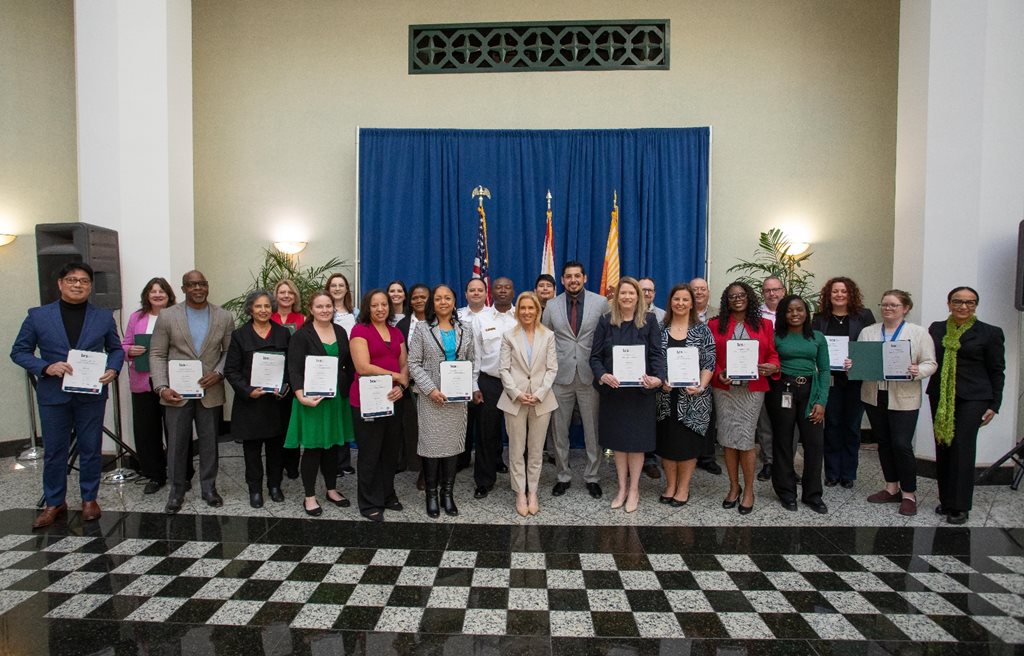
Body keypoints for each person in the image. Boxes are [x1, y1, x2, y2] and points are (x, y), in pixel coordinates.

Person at [11, 262, 124, 529]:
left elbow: (116, 349)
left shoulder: (103, 317)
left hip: (90, 394)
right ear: (60, 284)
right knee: (54, 451)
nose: (78, 285)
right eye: (72, 280)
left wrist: (113, 369)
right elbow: (19, 351)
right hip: (53, 395)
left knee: (90, 449)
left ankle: (89, 499)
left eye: (84, 281)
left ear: (90, 286)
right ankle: (54, 502)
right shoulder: (38, 316)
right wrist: (45, 367)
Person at [150, 270, 234, 515]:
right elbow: (157, 354)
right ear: (184, 288)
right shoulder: (167, 316)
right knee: (176, 443)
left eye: (202, 284)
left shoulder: (224, 316)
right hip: (176, 392)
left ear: (207, 286)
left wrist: (219, 373)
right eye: (192, 284)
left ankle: (209, 488)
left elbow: (229, 352)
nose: (198, 288)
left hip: (210, 390)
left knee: (210, 443)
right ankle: (176, 490)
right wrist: (162, 387)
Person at [927, 286, 1005, 525]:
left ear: (976, 306)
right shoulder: (937, 328)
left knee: (962, 445)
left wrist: (995, 403)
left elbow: (997, 370)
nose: (963, 307)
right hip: (941, 396)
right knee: (944, 445)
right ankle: (947, 499)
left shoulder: (990, 333)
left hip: (975, 397)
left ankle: (960, 506)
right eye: (958, 301)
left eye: (970, 303)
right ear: (949, 304)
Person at [590, 277, 666, 512]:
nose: (627, 297)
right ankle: (622, 488)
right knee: (619, 445)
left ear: (638, 296)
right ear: (616, 296)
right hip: (614, 393)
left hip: (640, 394)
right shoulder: (606, 322)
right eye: (622, 293)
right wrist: (602, 375)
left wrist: (658, 378)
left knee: (636, 445)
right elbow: (595, 357)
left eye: (631, 293)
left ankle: (634, 490)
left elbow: (656, 354)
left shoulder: (650, 321)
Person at [859, 290, 937, 517]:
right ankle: (891, 487)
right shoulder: (869, 331)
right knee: (883, 442)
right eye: (884, 305)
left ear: (905, 308)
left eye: (893, 305)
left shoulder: (918, 333)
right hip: (875, 395)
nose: (888, 309)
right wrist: (853, 363)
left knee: (901, 444)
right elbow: (863, 360)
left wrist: (917, 371)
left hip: (904, 397)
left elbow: (930, 363)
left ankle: (909, 494)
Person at [709, 281, 780, 515]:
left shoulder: (764, 324)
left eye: (741, 295)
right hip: (725, 389)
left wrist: (772, 366)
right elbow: (711, 356)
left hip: (752, 389)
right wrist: (720, 371)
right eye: (731, 296)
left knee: (746, 440)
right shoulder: (715, 325)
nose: (737, 299)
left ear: (749, 297)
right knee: (728, 438)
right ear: (726, 301)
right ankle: (733, 487)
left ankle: (749, 490)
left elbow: (771, 353)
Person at [408, 284, 478, 518]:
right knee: (431, 447)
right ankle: (431, 495)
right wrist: (431, 390)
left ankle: (448, 494)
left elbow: (471, 361)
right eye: (438, 298)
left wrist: (469, 388)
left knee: (452, 448)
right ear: (432, 303)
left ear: (454, 301)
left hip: (457, 400)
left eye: (448, 298)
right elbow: (413, 364)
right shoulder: (422, 329)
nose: (443, 302)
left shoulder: (466, 329)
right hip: (432, 399)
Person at [542, 261, 610, 499]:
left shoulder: (601, 303)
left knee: (593, 430)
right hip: (560, 378)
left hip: (590, 377)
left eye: (577, 276)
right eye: (568, 276)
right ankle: (563, 475)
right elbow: (544, 341)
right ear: (562, 280)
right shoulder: (551, 305)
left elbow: (607, 337)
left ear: (585, 278)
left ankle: (592, 476)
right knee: (560, 431)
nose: (573, 280)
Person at [285, 291, 354, 516]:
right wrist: (300, 394)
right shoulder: (302, 335)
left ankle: (331, 490)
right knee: (313, 449)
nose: (325, 310)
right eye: (320, 306)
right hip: (312, 400)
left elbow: (348, 364)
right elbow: (293, 368)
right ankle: (310, 496)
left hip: (336, 399)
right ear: (311, 309)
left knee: (333, 447)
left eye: (328, 306)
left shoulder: (342, 332)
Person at [224, 290, 292, 508]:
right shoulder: (239, 335)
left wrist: (285, 387)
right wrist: (248, 390)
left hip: (276, 403)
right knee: (251, 451)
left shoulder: (283, 333)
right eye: (258, 307)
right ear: (250, 310)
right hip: (250, 404)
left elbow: (291, 367)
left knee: (276, 448)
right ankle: (255, 489)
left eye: (266, 306)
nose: (263, 310)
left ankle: (274, 486)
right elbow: (231, 370)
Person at [349, 289, 408, 522]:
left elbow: (405, 365)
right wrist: (396, 375)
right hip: (367, 400)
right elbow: (362, 366)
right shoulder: (359, 331)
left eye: (384, 304)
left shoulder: (396, 332)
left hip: (393, 398)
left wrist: (401, 387)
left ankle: (387, 494)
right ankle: (369, 501)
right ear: (367, 308)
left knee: (389, 451)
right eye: (375, 305)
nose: (380, 309)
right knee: (370, 452)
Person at [497, 291, 558, 517]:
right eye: (522, 308)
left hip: (541, 401)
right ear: (517, 311)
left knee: (535, 451)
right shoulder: (508, 336)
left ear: (537, 310)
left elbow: (552, 368)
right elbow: (503, 369)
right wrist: (516, 393)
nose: (527, 312)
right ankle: (519, 493)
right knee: (516, 449)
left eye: (531, 308)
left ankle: (532, 492)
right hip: (515, 401)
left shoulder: (548, 335)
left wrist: (540, 393)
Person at [655, 284, 715, 506]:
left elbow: (709, 362)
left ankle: (683, 487)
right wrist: (661, 381)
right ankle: (670, 485)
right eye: (676, 299)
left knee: (687, 444)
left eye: (685, 300)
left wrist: (701, 385)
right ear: (670, 302)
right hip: (665, 397)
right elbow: (654, 361)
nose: (680, 303)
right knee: (668, 444)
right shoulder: (660, 329)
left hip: (693, 397)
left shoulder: (702, 330)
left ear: (692, 304)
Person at [811, 276, 874, 488]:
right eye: (835, 291)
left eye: (844, 291)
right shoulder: (820, 319)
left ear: (851, 294)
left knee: (852, 427)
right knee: (831, 426)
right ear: (829, 295)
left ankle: (848, 473)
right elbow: (814, 347)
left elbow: (871, 348)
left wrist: (857, 360)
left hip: (855, 380)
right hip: (829, 381)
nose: (839, 295)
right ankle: (831, 473)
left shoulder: (863, 317)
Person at [768, 295, 829, 514]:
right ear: (782, 314)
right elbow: (770, 361)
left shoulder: (818, 338)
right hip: (782, 390)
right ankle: (786, 492)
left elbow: (824, 371)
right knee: (783, 441)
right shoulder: (776, 337)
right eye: (789, 311)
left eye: (799, 310)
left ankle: (813, 495)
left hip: (811, 392)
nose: (795, 314)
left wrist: (821, 401)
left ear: (806, 312)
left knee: (814, 444)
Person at [122, 277, 176, 495]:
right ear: (147, 295)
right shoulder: (137, 317)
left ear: (169, 295)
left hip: (171, 382)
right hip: (143, 382)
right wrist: (129, 351)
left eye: (161, 291)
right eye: (153, 291)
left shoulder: (177, 315)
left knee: (174, 430)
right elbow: (124, 344)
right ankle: (154, 475)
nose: (157, 294)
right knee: (146, 431)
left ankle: (179, 473)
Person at [471, 276, 517, 498]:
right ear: (492, 291)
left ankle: (520, 482)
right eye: (498, 287)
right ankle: (484, 481)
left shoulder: (523, 315)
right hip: (489, 382)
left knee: (518, 435)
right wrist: (473, 385)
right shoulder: (482, 318)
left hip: (517, 383)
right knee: (486, 434)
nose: (502, 291)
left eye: (507, 287)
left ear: (513, 291)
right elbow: (476, 355)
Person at [456, 277, 493, 471]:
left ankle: (493, 460)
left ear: (486, 293)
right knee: (463, 420)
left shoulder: (494, 316)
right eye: (472, 290)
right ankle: (462, 459)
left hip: (487, 376)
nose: (476, 293)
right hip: (460, 376)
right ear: (466, 294)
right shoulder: (457, 316)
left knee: (488, 424)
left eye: (480, 290)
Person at [396, 283, 429, 484]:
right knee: (411, 427)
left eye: (423, 297)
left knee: (430, 429)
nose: (418, 300)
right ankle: (413, 464)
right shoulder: (403, 325)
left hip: (433, 385)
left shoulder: (437, 322)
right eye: (415, 297)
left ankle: (427, 472)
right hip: (409, 384)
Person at [326, 272, 358, 475]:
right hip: (329, 368)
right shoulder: (325, 311)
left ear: (347, 289)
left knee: (346, 414)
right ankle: (332, 463)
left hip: (352, 368)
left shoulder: (355, 313)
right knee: (332, 413)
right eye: (333, 285)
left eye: (341, 285)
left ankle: (344, 461)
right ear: (328, 289)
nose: (337, 289)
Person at [690, 276, 722, 475]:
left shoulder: (720, 315)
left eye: (703, 289)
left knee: (710, 416)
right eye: (695, 289)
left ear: (708, 291)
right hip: (686, 371)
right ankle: (691, 452)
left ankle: (708, 457)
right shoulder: (681, 312)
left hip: (714, 371)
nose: (699, 292)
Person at [755, 276, 786, 481]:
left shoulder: (794, 311)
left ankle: (786, 463)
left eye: (776, 290)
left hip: (788, 373)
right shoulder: (755, 315)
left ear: (783, 291)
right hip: (762, 372)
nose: (772, 294)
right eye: (767, 290)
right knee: (765, 420)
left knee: (787, 421)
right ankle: (768, 461)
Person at [272, 278, 303, 480]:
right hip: (272, 378)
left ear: (295, 296)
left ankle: (292, 464)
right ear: (276, 296)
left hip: (295, 378)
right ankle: (277, 462)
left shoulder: (303, 319)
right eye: (282, 292)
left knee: (292, 421)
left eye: (290, 292)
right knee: (276, 423)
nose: (286, 296)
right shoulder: (267, 316)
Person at [638, 276, 666, 480]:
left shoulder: (663, 316)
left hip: (655, 377)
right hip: (632, 377)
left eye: (650, 290)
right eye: (643, 290)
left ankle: (650, 460)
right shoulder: (626, 314)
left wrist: (660, 375)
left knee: (653, 421)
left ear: (654, 293)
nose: (647, 293)